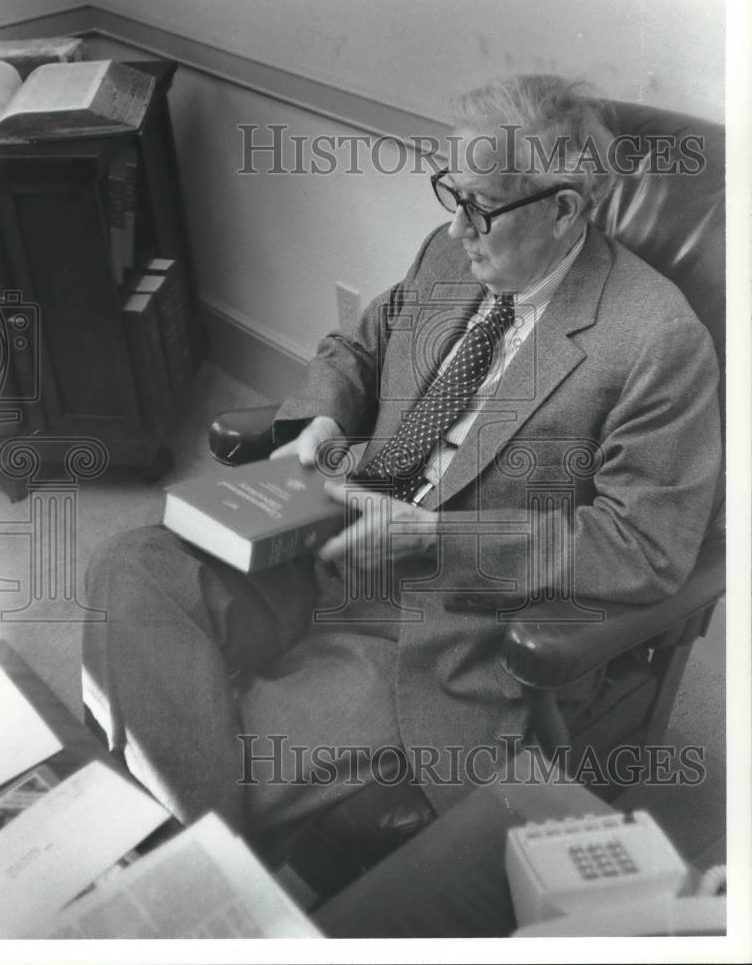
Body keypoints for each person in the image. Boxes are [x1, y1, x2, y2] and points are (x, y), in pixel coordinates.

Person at [82, 75, 722, 837]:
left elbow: (645, 547)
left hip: (442, 623)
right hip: (322, 534)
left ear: (563, 210)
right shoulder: (450, 257)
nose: (458, 229)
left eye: (480, 206)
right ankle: (197, 841)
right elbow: (355, 347)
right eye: (450, 194)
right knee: (133, 564)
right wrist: (318, 421)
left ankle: (188, 865)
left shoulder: (656, 339)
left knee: (214, 753)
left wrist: (435, 538)